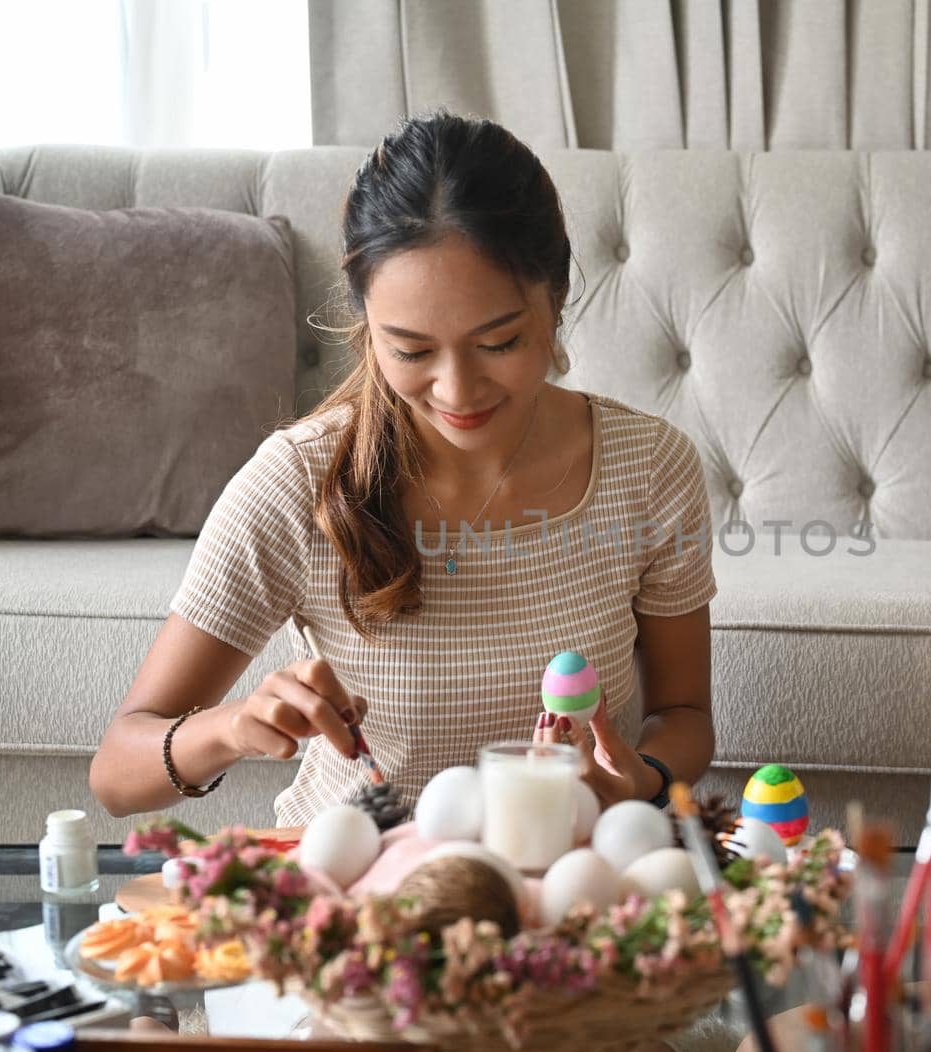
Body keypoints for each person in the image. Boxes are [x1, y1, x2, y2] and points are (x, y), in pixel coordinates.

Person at [89, 112, 716, 850]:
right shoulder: (298, 483)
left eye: (499, 341)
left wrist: (635, 776)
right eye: (411, 349)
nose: (458, 389)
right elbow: (116, 773)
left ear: (557, 297)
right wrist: (230, 727)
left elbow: (684, 715)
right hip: (360, 891)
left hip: (559, 883)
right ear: (366, 321)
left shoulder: (649, 468)